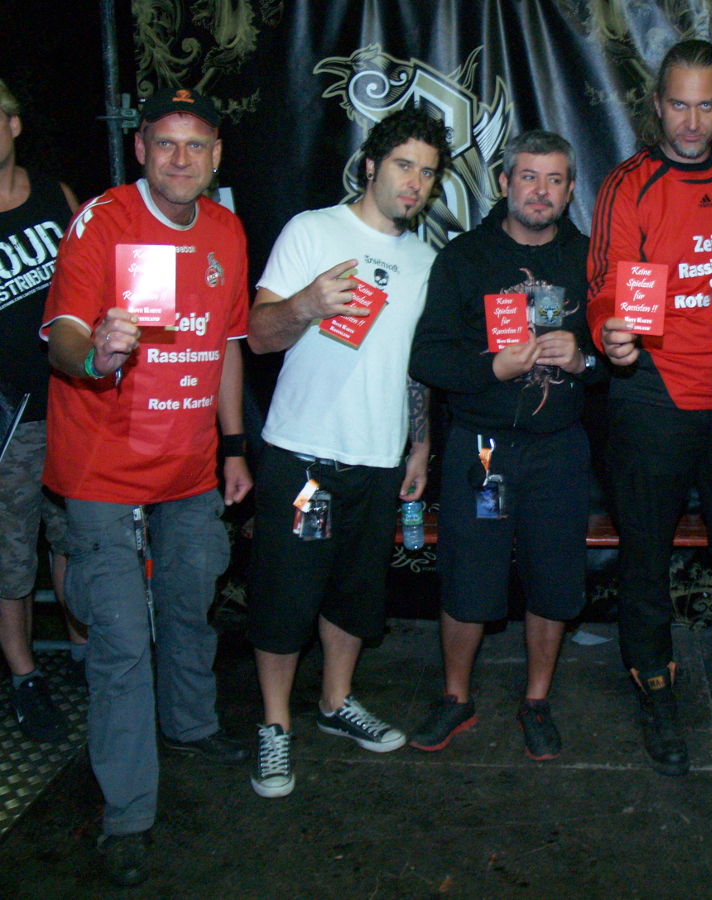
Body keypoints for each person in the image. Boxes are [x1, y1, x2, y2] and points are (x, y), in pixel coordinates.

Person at [41, 86, 254, 886]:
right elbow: (62, 338)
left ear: (216, 155)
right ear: (140, 150)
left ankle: (190, 723)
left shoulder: (227, 229)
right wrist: (97, 355)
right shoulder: (103, 221)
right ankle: (128, 813)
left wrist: (233, 446)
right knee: (123, 640)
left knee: (193, 595)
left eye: (196, 145)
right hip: (101, 467)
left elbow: (226, 344)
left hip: (189, 465)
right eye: (165, 143)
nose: (180, 159)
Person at [246, 106, 449, 799]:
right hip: (304, 455)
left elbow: (416, 365)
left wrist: (420, 442)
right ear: (369, 166)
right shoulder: (313, 230)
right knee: (284, 596)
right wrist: (306, 303)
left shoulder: (425, 261)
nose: (414, 181)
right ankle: (275, 724)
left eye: (427, 172)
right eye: (403, 165)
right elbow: (259, 336)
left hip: (379, 458)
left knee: (356, 594)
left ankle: (336, 702)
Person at [587, 39, 712, 776]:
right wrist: (611, 332)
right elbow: (606, 284)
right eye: (678, 105)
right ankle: (654, 683)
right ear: (656, 105)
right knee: (645, 553)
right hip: (653, 391)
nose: (691, 122)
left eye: (705, 105)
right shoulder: (628, 184)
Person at [408, 129, 603, 760]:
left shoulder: (591, 260)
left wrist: (585, 359)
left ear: (570, 190)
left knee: (555, 579)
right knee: (469, 576)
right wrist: (492, 367)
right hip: (483, 452)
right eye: (528, 177)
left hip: (559, 450)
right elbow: (426, 356)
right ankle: (455, 697)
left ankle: (537, 700)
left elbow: (625, 354)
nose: (540, 191)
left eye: (554, 180)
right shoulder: (465, 257)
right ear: (503, 182)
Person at [0, 75, 87, 743]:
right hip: (8, 419)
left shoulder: (56, 196)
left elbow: (96, 279)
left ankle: (85, 652)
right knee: (11, 558)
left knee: (75, 538)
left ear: (13, 124)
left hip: (71, 406)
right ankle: (25, 676)